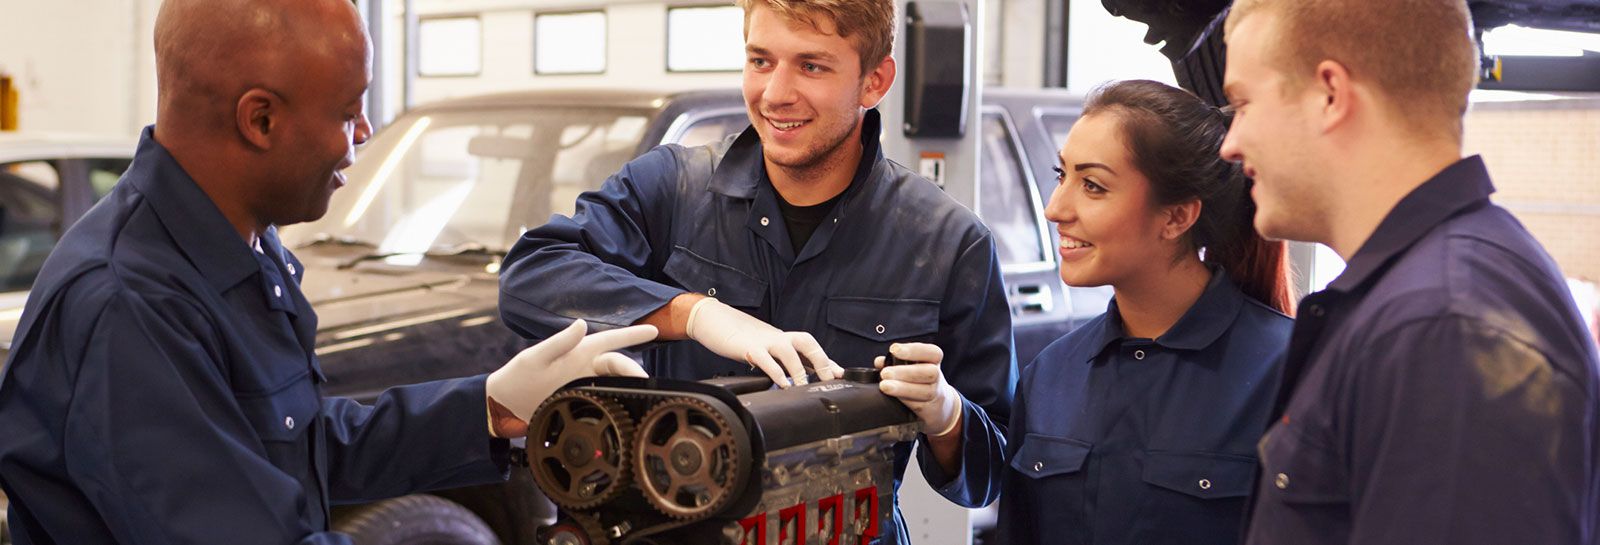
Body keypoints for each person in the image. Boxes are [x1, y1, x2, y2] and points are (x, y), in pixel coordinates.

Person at [0, 1, 656, 543]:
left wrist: (489, 404)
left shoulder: (243, 247)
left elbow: (305, 446)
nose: (365, 131)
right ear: (260, 119)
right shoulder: (129, 305)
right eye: (348, 111)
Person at [496, 0, 1015, 540]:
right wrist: (693, 313)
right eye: (761, 61)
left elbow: (992, 473)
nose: (774, 93)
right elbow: (531, 274)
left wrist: (947, 415)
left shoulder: (949, 242)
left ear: (874, 81)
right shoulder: (672, 190)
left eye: (811, 66)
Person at [1220, 1, 1600, 543]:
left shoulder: (1442, 327)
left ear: (1330, 94)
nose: (1229, 144)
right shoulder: (1433, 296)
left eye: (1242, 104)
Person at [990, 80, 1292, 545]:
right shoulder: (1051, 374)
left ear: (1176, 218)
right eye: (1061, 175)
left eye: (1092, 185)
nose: (1055, 208)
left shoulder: (1289, 370)